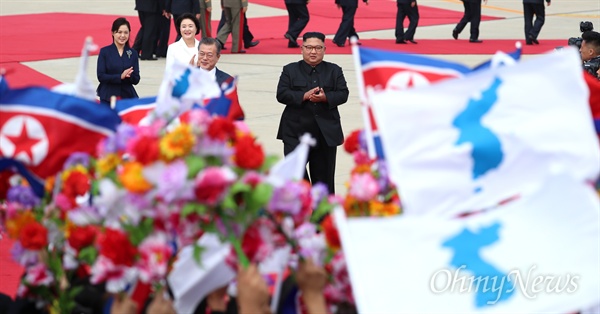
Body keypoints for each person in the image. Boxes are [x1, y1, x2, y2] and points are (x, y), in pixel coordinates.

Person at [276, 32, 349, 194]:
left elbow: (343, 94)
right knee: (295, 177)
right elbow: (281, 94)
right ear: (302, 49)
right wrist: (303, 96)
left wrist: (325, 98)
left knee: (323, 183)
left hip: (325, 134)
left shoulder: (334, 70)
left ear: (324, 49)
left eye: (318, 48)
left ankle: (323, 217)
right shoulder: (290, 70)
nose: (313, 52)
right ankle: (300, 210)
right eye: (309, 47)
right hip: (295, 133)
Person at [196, 37, 246, 120]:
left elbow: (234, 112)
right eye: (201, 54)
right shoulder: (187, 77)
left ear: (218, 57)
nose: (204, 58)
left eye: (209, 55)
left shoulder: (227, 81)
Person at [96, 17, 140, 105]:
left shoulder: (133, 53)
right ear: (113, 33)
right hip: (108, 96)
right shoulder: (105, 52)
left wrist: (129, 76)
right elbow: (101, 76)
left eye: (126, 33)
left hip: (127, 96)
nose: (123, 36)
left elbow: (136, 79)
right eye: (119, 32)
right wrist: (120, 77)